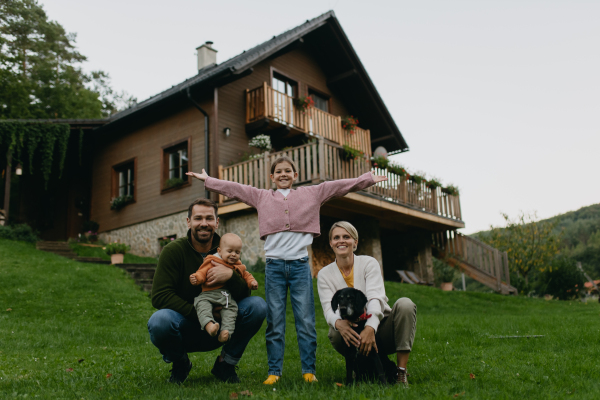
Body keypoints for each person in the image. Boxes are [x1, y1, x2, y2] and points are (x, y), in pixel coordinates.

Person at [187, 157, 387, 384]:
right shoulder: (262, 196)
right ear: (271, 177)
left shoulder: (311, 193)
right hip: (274, 268)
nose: (283, 174)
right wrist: (209, 181)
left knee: (305, 320)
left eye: (288, 171)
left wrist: (367, 179)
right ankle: (274, 372)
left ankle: (308, 371)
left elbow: (339, 186)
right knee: (275, 321)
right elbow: (236, 189)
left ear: (296, 175)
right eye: (278, 171)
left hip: (300, 266)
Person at [147, 198, 267, 384]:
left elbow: (245, 294)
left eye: (209, 218)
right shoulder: (173, 251)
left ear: (217, 222)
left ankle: (225, 364)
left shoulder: (230, 249)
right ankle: (181, 364)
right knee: (159, 321)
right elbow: (160, 296)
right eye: (198, 218)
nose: (204, 223)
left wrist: (230, 275)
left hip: (224, 326)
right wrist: (202, 314)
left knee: (257, 305)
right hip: (186, 325)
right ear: (189, 222)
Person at [317, 221, 417, 386]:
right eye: (336, 237)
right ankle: (360, 366)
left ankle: (401, 372)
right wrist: (338, 323)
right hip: (353, 332)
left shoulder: (369, 263)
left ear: (355, 242)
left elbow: (375, 298)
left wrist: (370, 327)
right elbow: (328, 308)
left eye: (346, 237)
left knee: (405, 304)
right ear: (331, 243)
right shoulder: (324, 274)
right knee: (335, 332)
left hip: (382, 329)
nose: (341, 241)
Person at [189, 233, 259, 343]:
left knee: (231, 310)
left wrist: (252, 282)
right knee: (202, 305)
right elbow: (202, 272)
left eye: (237, 252)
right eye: (229, 251)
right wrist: (197, 278)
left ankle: (225, 332)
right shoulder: (212, 261)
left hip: (226, 297)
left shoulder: (238, 266)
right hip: (208, 294)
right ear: (220, 251)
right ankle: (209, 326)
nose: (233, 255)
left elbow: (246, 275)